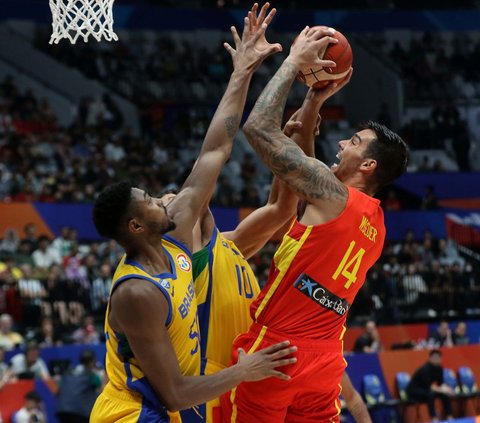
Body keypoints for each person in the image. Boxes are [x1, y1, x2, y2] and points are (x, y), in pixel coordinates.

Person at [90, 8, 297, 423]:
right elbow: (174, 394)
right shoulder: (137, 293)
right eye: (151, 200)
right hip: (133, 414)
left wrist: (243, 70)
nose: (164, 199)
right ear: (136, 226)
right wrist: (245, 370)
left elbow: (215, 149)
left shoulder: (177, 235)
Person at [222, 25, 409, 422]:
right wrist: (313, 100)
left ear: (368, 165)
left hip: (276, 353)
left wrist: (293, 62)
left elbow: (257, 129)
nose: (342, 143)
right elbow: (308, 177)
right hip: (324, 361)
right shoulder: (375, 222)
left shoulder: (331, 193)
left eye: (354, 142)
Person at [56, 350, 102, 423]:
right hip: (81, 413)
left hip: (62, 410)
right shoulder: (92, 375)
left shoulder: (67, 372)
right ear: (92, 362)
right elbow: (101, 392)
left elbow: (57, 391)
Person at [406, 350, 453, 422]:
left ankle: (449, 416)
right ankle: (434, 418)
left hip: (426, 389)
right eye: (435, 358)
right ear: (430, 358)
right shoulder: (425, 369)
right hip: (414, 391)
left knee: (445, 395)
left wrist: (447, 389)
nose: (438, 359)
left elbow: (441, 384)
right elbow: (429, 387)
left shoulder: (439, 368)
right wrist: (443, 390)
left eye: (439, 358)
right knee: (430, 394)